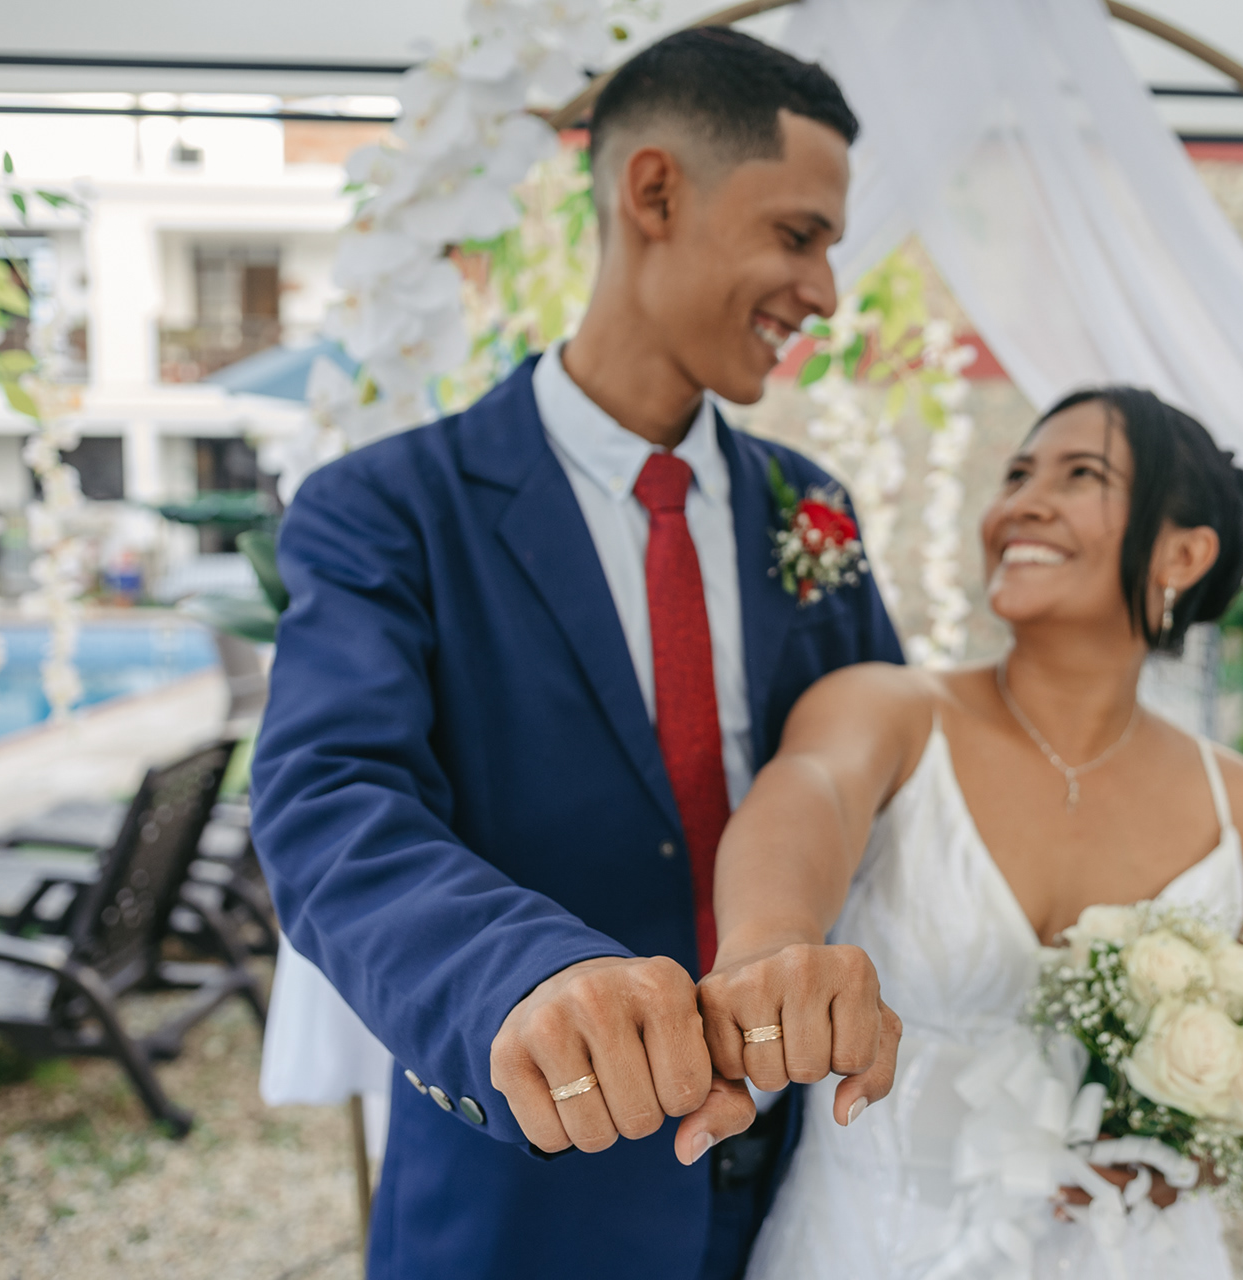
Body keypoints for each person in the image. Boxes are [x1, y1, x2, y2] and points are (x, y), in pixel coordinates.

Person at [251, 29, 903, 1280]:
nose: (824, 292)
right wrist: (525, 980)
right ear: (654, 192)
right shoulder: (386, 509)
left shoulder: (813, 507)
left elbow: (879, 777)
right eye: (798, 235)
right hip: (527, 1201)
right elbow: (332, 803)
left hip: (806, 1187)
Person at [703, 386, 1243, 1278]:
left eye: (1081, 475)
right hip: (866, 1247)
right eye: (1018, 474)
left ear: (1184, 553)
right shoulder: (886, 709)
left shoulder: (1239, 802)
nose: (1023, 502)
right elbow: (808, 797)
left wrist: (1192, 1157)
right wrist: (771, 943)